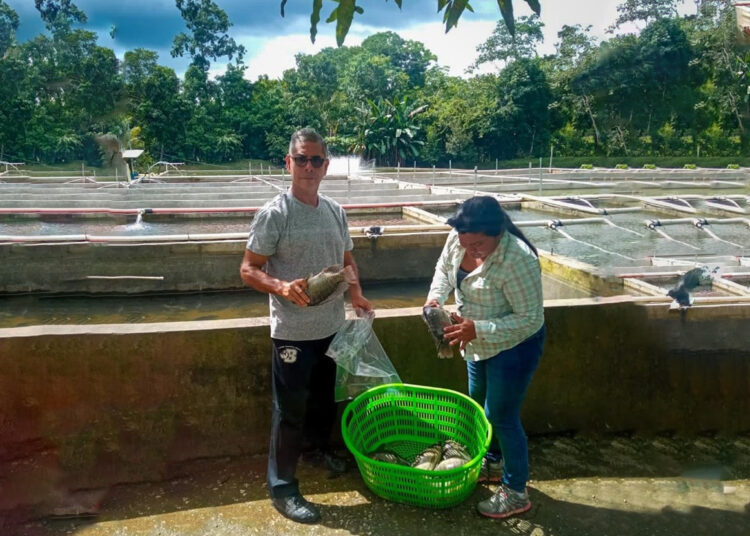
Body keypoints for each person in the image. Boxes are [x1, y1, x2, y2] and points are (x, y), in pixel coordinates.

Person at [240, 128, 372, 524]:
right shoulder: (275, 213)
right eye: (301, 159)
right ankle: (282, 487)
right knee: (289, 411)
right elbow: (248, 269)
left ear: (326, 166)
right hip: (292, 333)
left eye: (316, 160)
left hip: (332, 326)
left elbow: (346, 260)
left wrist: (357, 295)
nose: (309, 167)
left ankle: (316, 451)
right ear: (289, 163)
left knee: (323, 402)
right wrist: (281, 286)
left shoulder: (335, 211)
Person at [425, 195, 545, 519]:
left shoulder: (518, 258)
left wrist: (479, 328)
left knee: (501, 414)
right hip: (474, 339)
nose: (471, 249)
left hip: (515, 344)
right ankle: (493, 461)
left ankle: (516, 491)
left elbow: (530, 319)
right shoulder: (459, 237)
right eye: (466, 243)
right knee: (478, 403)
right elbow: (443, 270)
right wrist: (435, 299)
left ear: (498, 232)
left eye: (478, 244)